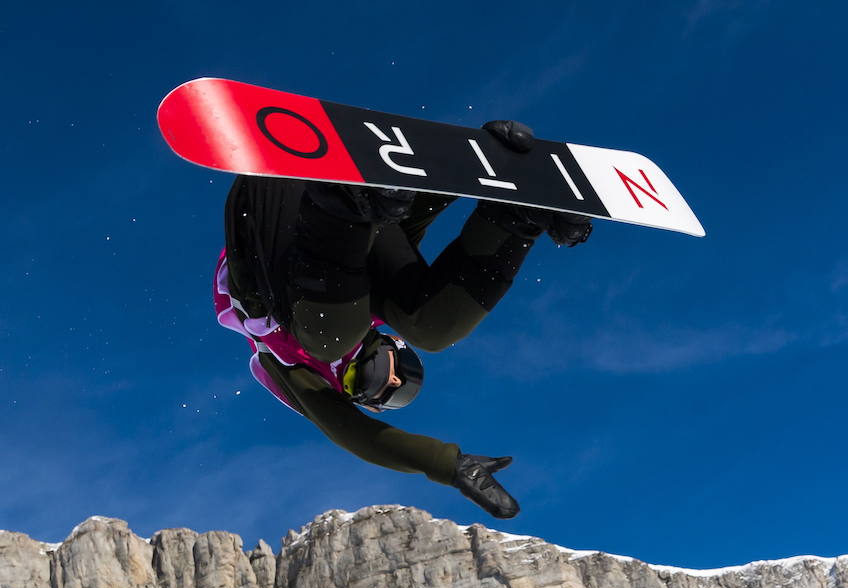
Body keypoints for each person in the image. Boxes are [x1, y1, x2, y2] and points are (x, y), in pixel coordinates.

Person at [215, 120, 590, 519]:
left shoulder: (287, 364)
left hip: (268, 216)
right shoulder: (377, 306)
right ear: (395, 343)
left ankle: (343, 204)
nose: (393, 381)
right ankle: (518, 217)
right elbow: (405, 229)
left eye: (372, 388)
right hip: (353, 209)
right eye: (406, 378)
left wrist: (444, 464)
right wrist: (477, 166)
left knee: (329, 339)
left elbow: (355, 435)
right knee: (434, 326)